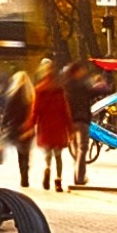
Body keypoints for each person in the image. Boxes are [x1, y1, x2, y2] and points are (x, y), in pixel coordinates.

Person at [29, 59, 74, 192]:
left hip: (45, 126)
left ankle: (47, 168)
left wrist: (30, 125)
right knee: (58, 156)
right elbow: (65, 111)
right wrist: (70, 130)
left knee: (47, 154)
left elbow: (35, 110)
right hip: (59, 127)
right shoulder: (59, 90)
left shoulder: (40, 89)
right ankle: (58, 181)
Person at [62, 53, 99, 188]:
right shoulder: (82, 85)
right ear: (77, 71)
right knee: (82, 149)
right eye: (82, 70)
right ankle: (80, 177)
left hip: (70, 121)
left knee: (76, 150)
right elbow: (92, 94)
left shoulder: (66, 86)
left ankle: (78, 174)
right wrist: (100, 86)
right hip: (82, 120)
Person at [0, 66, 34, 181]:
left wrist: (3, 124)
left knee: (20, 152)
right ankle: (25, 173)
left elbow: (8, 111)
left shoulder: (14, 94)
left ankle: (23, 175)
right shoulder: (30, 95)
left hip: (16, 126)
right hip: (28, 127)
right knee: (26, 152)